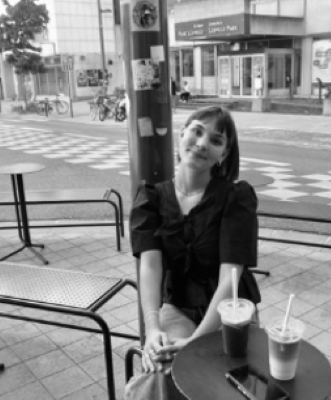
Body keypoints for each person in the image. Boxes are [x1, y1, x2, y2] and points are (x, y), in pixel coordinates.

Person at [125, 106, 261, 400]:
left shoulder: (235, 197)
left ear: (223, 154)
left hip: (231, 309)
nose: (202, 143)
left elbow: (230, 277)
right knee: (163, 372)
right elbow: (150, 267)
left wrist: (196, 342)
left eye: (215, 140)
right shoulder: (151, 198)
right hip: (179, 305)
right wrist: (152, 329)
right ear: (181, 134)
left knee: (231, 385)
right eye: (197, 131)